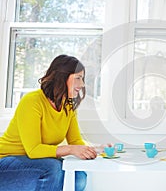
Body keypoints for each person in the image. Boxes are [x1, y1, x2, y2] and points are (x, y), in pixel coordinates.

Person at [0, 54, 107, 191]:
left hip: (35, 164)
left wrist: (96, 149)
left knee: (78, 175)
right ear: (61, 78)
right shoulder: (32, 101)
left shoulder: (68, 106)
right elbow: (33, 150)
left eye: (83, 78)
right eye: (78, 78)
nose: (82, 85)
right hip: (5, 161)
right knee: (52, 167)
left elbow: (75, 141)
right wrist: (70, 149)